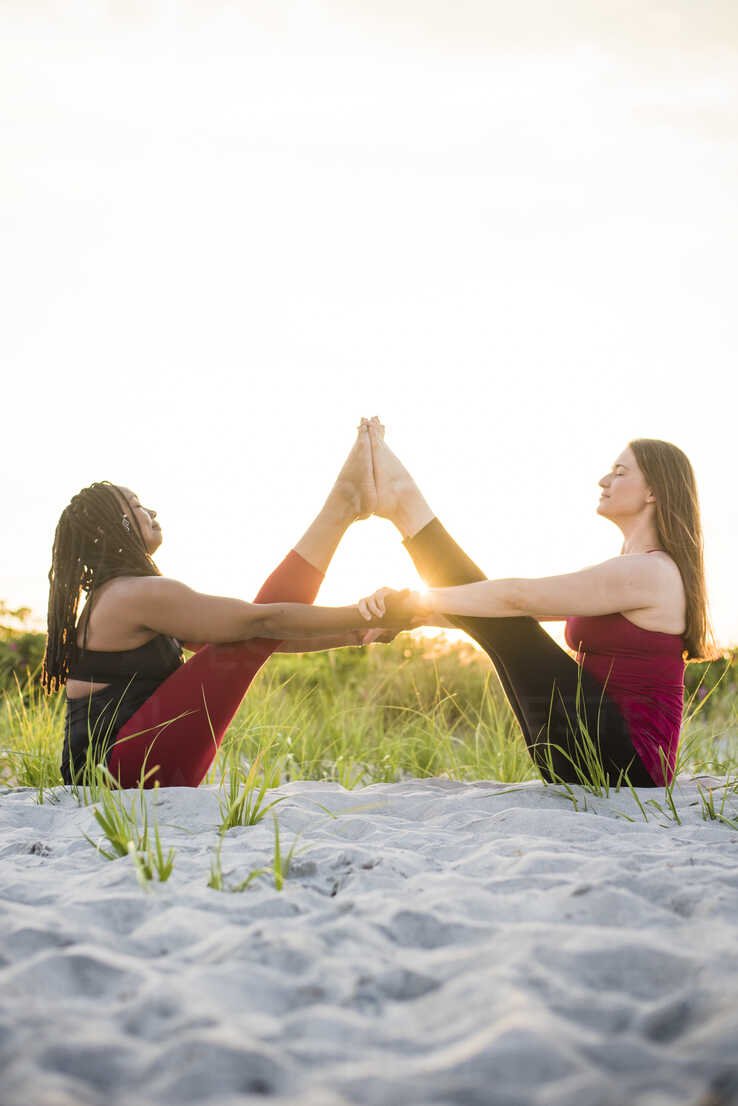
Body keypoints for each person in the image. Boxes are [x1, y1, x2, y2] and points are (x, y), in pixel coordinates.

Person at [43, 422, 401, 789]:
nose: (151, 510)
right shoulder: (131, 595)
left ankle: (343, 506)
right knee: (254, 625)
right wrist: (366, 611)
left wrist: (359, 632)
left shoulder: (121, 596)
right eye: (136, 506)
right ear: (112, 527)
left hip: (122, 770)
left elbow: (256, 643)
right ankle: (341, 507)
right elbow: (261, 623)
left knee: (246, 637)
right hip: (119, 772)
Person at [358, 419, 714, 787]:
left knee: (505, 612)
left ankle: (405, 504)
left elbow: (517, 598)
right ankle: (404, 504)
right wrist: (415, 616)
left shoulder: (649, 572)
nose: (603, 482)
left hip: (628, 764)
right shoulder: (626, 571)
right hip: (598, 753)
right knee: (502, 616)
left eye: (619, 473)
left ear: (653, 491)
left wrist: (414, 599)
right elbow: (512, 612)